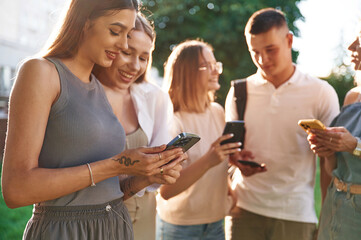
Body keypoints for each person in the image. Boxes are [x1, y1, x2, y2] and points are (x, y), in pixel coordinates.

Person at [1, 1, 184, 239]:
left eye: (127, 35)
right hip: (65, 232)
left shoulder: (98, 87)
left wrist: (144, 177)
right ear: (84, 22)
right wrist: (117, 164)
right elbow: (16, 190)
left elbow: (103, 192)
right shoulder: (41, 72)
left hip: (114, 227)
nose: (123, 44)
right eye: (115, 31)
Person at [224, 8, 340, 240]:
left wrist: (327, 219)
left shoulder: (321, 93)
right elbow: (231, 150)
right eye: (254, 52)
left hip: (295, 214)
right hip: (243, 211)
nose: (262, 60)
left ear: (289, 40)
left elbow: (331, 161)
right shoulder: (239, 91)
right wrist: (237, 160)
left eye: (270, 50)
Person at [93, 13, 175, 240]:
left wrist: (167, 165)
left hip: (144, 215)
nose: (135, 65)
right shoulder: (84, 93)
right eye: (127, 53)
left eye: (144, 57)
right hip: (94, 216)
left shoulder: (153, 97)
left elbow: (158, 167)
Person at [156, 39, 241, 240]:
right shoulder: (173, 121)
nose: (216, 71)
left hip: (215, 222)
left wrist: (229, 191)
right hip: (180, 228)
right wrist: (208, 160)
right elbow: (165, 190)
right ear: (187, 73)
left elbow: (217, 162)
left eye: (216, 65)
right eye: (207, 66)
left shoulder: (217, 112)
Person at [306, 25, 361, 240]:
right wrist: (327, 150)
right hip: (335, 206)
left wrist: (353, 144)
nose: (350, 46)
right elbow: (334, 168)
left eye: (360, 39)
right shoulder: (351, 97)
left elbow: (352, 146)